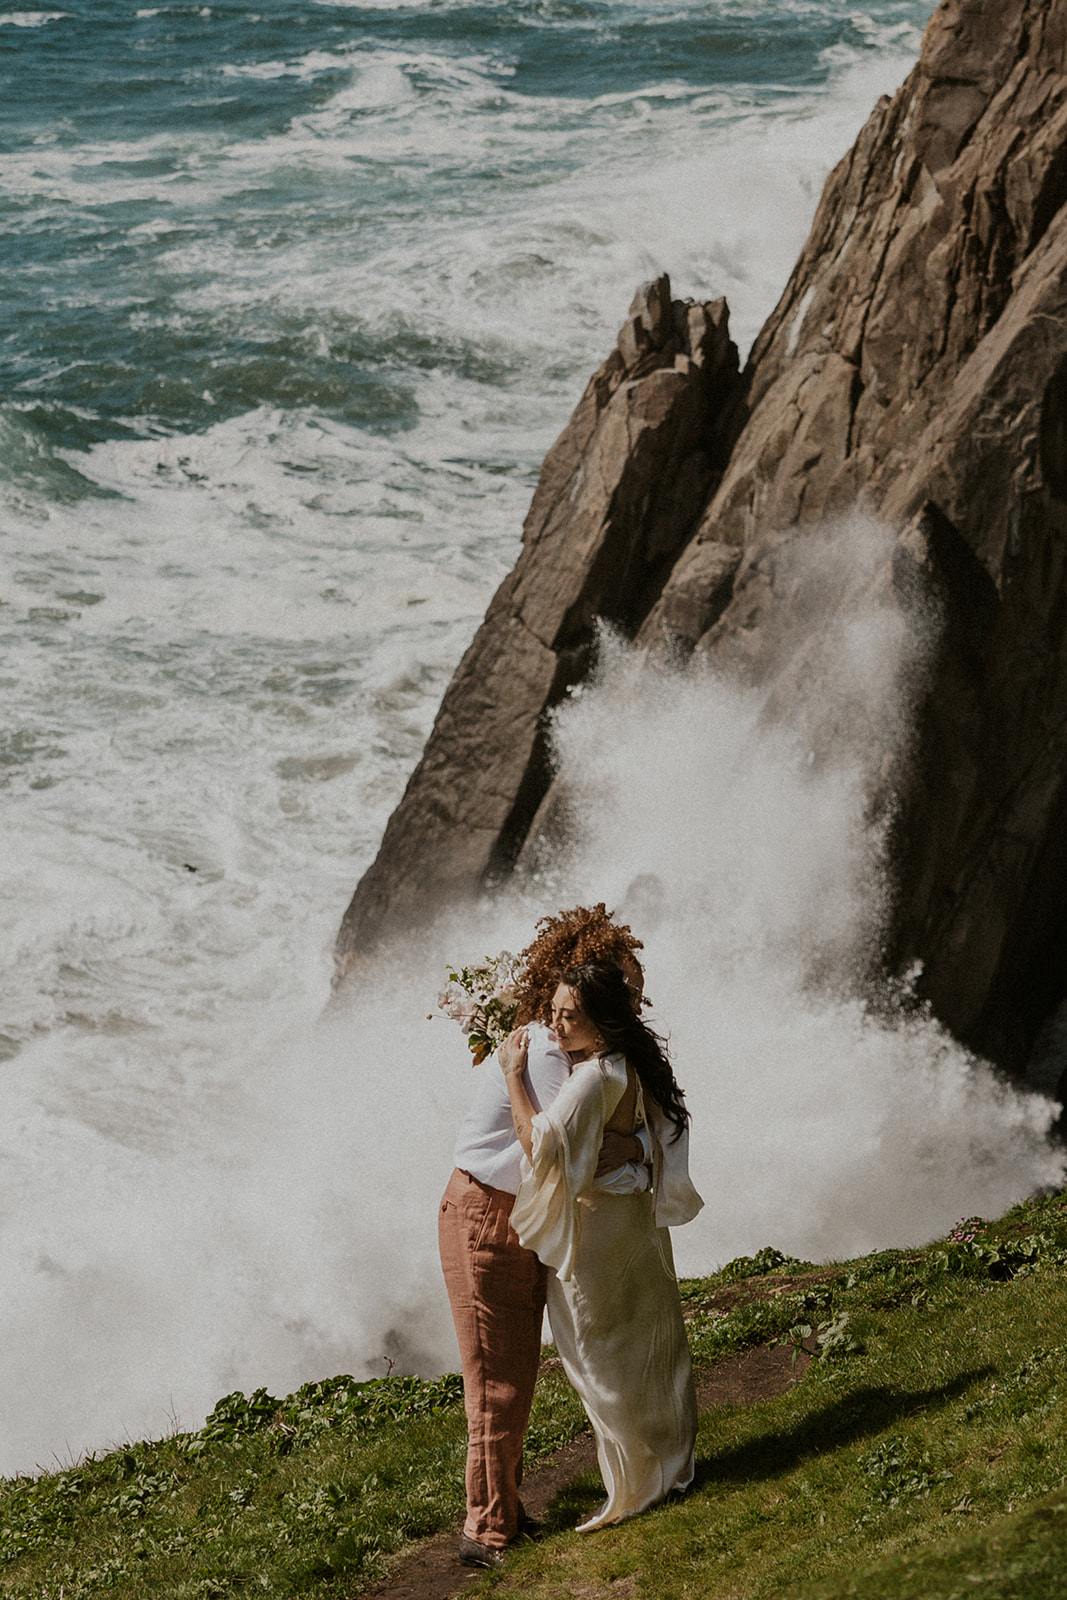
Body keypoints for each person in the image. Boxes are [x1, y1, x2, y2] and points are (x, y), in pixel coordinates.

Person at [438, 907, 648, 1570]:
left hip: (515, 1216)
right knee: (497, 1381)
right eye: (621, 983)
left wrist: (631, 1142)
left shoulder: (569, 1051)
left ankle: (502, 1510)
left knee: (514, 1376)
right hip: (486, 1215)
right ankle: (486, 1533)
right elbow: (556, 1153)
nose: (632, 997)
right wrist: (619, 1147)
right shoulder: (547, 1053)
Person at [503, 961, 703, 1532]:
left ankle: (637, 1483)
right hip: (637, 1227)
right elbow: (670, 1127)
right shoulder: (631, 1062)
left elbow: (541, 1145)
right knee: (648, 1347)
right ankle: (671, 1466)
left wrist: (515, 1074)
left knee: (600, 1359)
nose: (558, 1025)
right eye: (555, 1012)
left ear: (604, 1023)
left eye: (572, 1016)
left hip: (596, 1238)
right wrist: (639, 1148)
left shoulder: (591, 1078)